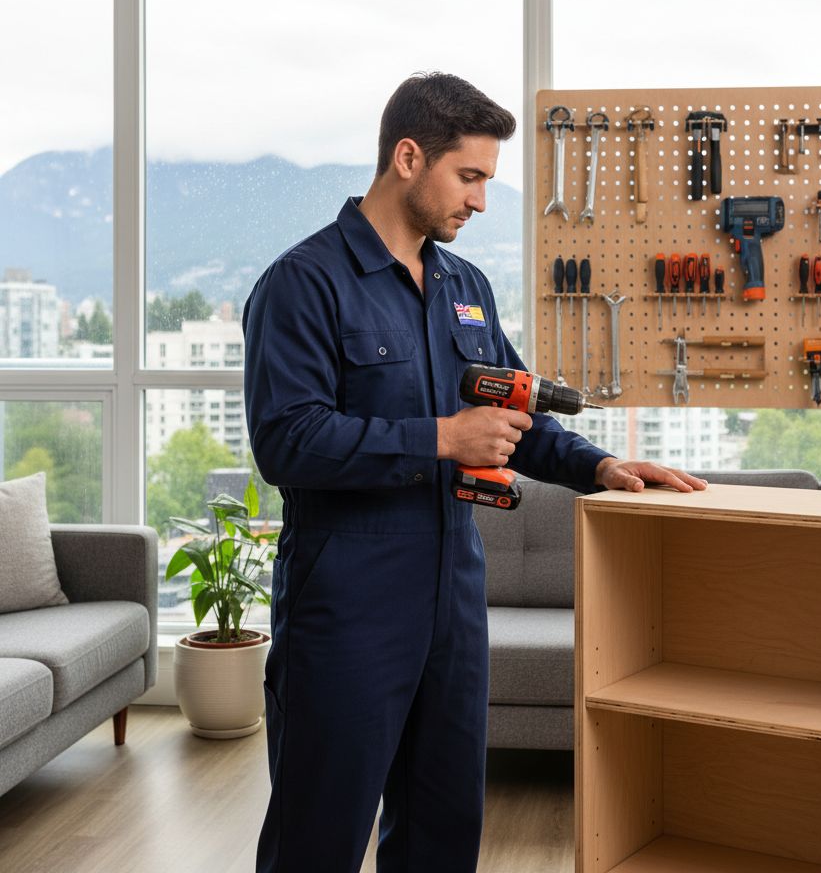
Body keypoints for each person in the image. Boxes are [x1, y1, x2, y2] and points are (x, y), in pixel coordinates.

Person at [242, 72, 707, 873]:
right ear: (408, 158)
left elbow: (512, 415)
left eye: (488, 180)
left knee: (444, 825)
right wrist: (440, 439)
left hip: (454, 592)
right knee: (319, 831)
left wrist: (598, 465)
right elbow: (287, 441)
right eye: (471, 177)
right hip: (345, 593)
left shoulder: (464, 287)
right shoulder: (304, 284)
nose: (481, 202)